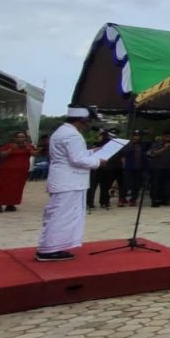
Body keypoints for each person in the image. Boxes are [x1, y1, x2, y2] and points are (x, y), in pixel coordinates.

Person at [35, 106, 107, 261]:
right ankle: (48, 249)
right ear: (82, 120)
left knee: (61, 214)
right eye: (88, 121)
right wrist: (97, 162)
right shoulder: (73, 135)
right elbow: (77, 160)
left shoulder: (63, 131)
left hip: (65, 179)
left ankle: (54, 246)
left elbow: (73, 155)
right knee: (62, 215)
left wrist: (92, 151)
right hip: (69, 180)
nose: (88, 125)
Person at [0, 130, 36, 213]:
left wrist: (28, 148)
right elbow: (1, 155)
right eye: (18, 137)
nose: (21, 139)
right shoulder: (9, 145)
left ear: (25, 138)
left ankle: (10, 204)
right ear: (14, 138)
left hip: (22, 171)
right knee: (4, 187)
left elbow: (35, 154)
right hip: (8, 171)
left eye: (22, 137)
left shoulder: (28, 146)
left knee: (17, 188)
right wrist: (11, 149)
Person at [120, 130, 148, 207]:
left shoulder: (144, 144)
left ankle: (133, 199)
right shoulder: (128, 144)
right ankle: (122, 199)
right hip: (129, 167)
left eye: (138, 136)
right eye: (135, 136)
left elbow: (146, 155)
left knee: (137, 184)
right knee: (126, 183)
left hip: (140, 167)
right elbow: (124, 153)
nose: (136, 137)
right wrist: (131, 145)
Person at [146, 134, 170, 207]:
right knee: (155, 184)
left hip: (168, 167)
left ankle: (165, 199)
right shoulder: (156, 145)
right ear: (163, 137)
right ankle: (155, 200)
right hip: (157, 167)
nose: (168, 138)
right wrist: (165, 148)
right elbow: (154, 154)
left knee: (166, 184)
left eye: (169, 137)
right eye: (166, 137)